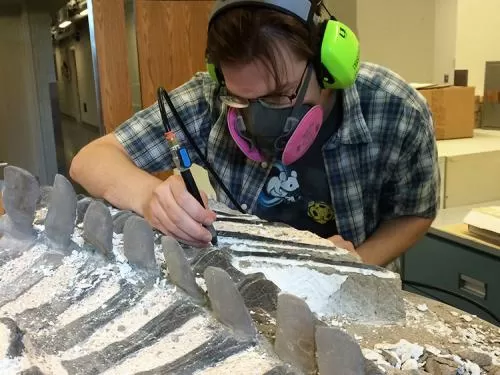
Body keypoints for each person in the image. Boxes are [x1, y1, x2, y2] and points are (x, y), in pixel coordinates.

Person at [70, 0, 440, 267]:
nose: (259, 117)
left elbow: (414, 213)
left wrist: (357, 262)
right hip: (244, 290)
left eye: (280, 95)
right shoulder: (207, 98)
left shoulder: (396, 109)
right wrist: (151, 197)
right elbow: (91, 160)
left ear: (329, 65)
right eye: (242, 97)